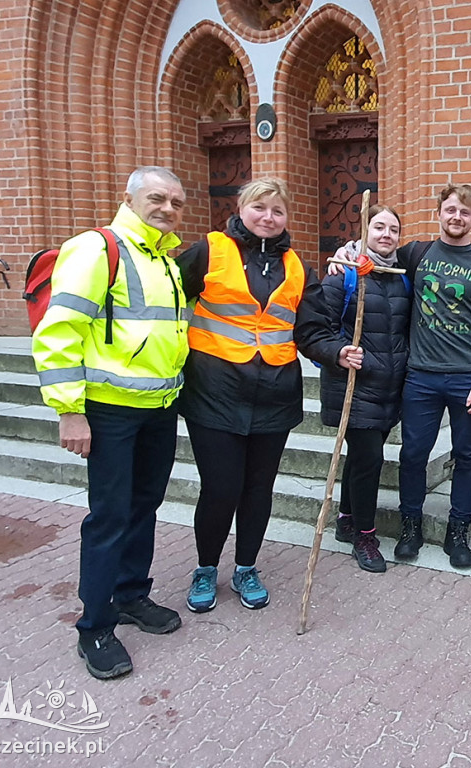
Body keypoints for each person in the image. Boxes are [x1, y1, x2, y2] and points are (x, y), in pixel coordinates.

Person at [32, 166, 189, 680]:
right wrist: (69, 410)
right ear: (130, 198)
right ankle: (94, 626)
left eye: (176, 201)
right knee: (109, 516)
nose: (167, 208)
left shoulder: (164, 258)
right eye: (157, 198)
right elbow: (60, 330)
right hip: (109, 410)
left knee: (144, 507)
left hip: (158, 408)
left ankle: (130, 596)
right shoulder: (97, 248)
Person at [334, 184, 471, 568]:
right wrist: (346, 254)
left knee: (467, 457)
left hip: (467, 379)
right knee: (413, 455)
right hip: (420, 377)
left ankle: (458, 530)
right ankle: (410, 526)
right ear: (439, 213)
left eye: (464, 212)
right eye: (450, 210)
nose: (456, 217)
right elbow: (376, 254)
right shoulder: (417, 253)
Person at [177, 178, 329, 614]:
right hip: (215, 393)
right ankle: (206, 567)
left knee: (259, 489)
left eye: (277, 211)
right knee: (221, 488)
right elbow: (164, 299)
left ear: (286, 218)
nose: (268, 217)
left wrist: (338, 352)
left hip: (274, 395)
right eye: (259, 207)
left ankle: (246, 566)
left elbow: (310, 329)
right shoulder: (208, 250)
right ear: (241, 209)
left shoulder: (298, 268)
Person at [311, 204, 412, 572]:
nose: (386, 235)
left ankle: (346, 517)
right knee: (369, 459)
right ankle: (365, 536)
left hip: (390, 387)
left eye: (393, 229)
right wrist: (337, 352)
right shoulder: (343, 274)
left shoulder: (403, 275)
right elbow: (317, 330)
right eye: (379, 227)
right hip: (353, 385)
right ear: (364, 232)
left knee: (361, 457)